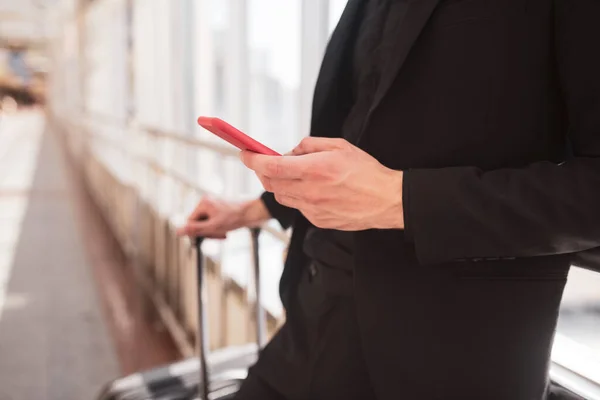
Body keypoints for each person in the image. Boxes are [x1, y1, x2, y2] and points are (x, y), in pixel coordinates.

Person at [178, 0, 600, 399]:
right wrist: (256, 208)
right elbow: (361, 132)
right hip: (314, 315)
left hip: (454, 356)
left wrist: (400, 199)